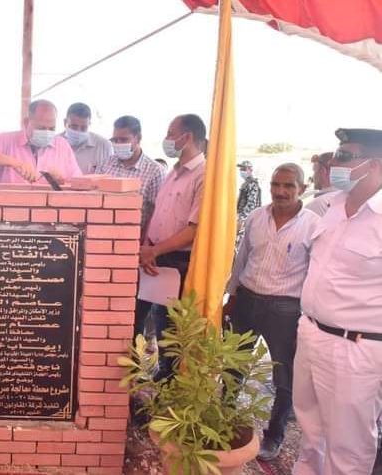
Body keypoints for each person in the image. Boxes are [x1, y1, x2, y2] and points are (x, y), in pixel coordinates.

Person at [292, 128, 382, 475]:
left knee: (348, 448)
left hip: (355, 348)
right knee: (310, 433)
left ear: (374, 164)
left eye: (345, 157)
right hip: (312, 334)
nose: (334, 164)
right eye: (335, 156)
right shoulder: (332, 205)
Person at [224, 163, 319, 460]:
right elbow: (242, 258)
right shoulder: (256, 217)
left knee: (285, 377)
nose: (281, 191)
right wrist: (232, 294)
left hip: (286, 310)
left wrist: (307, 317)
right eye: (276, 184)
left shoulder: (313, 225)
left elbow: (315, 274)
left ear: (302, 188)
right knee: (232, 366)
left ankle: (274, 436)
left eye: (289, 186)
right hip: (247, 301)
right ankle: (223, 422)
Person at [137, 114, 207, 379]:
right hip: (154, 258)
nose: (166, 139)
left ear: (186, 137)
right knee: (144, 322)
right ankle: (139, 380)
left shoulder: (204, 175)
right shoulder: (173, 172)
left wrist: (155, 250)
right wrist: (147, 247)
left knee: (169, 331)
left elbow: (194, 229)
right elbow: (157, 214)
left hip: (178, 262)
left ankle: (167, 386)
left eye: (170, 133)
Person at [0, 99, 82, 184]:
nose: (47, 133)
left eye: (52, 129)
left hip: (51, 207)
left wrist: (61, 181)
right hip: (11, 206)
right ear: (26, 122)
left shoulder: (62, 146)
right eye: (41, 128)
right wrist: (15, 163)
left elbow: (79, 184)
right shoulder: (7, 140)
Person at [96, 115, 164, 238]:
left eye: (124, 140)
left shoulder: (154, 171)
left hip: (135, 238)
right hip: (102, 235)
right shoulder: (105, 164)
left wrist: (144, 241)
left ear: (138, 138)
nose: (118, 144)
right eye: (115, 140)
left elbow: (155, 212)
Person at [61, 102, 112, 174]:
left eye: (83, 128)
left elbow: (110, 175)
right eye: (74, 127)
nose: (78, 131)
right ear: (65, 122)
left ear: (89, 124)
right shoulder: (53, 144)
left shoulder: (103, 146)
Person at [305, 152, 335, 216]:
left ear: (323, 171)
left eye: (314, 171)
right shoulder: (348, 198)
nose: (313, 177)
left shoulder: (315, 206)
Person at [236, 159, 262, 229]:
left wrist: (242, 218)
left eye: (244, 169)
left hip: (248, 220)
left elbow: (251, 205)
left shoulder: (252, 184)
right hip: (244, 218)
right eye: (241, 169)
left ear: (250, 170)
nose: (241, 171)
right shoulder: (246, 184)